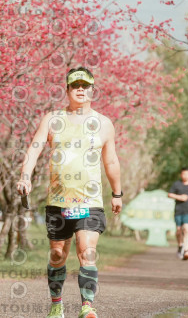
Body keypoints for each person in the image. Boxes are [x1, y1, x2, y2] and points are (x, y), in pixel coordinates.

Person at [16, 67, 122, 318]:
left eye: (86, 86)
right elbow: (34, 148)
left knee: (87, 251)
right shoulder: (53, 119)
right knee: (57, 255)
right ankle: (56, 304)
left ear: (93, 90)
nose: (81, 90)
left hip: (90, 200)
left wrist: (117, 193)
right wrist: (25, 176)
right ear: (67, 90)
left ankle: (87, 306)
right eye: (76, 86)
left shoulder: (104, 124)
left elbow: (111, 161)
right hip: (59, 200)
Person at [168, 167, 188, 260]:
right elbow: (169, 194)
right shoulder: (177, 184)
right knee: (178, 231)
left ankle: (186, 250)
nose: (185, 176)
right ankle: (180, 246)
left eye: (187, 174)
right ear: (181, 175)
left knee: (187, 229)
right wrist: (179, 197)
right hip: (179, 211)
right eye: (184, 174)